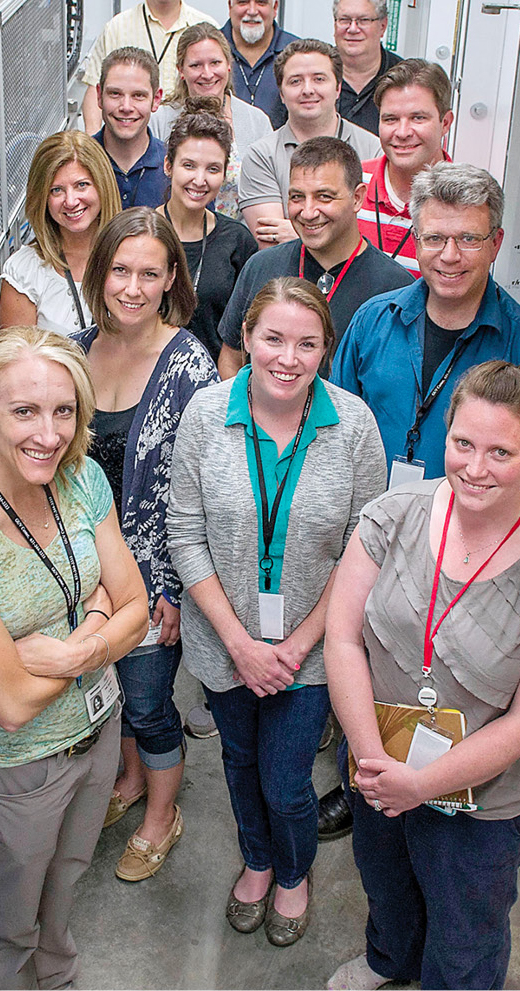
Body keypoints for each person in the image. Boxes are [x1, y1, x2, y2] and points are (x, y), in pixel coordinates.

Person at [325, 361, 520, 991]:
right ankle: (390, 959)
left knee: (467, 931)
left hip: (490, 799)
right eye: (463, 443)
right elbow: (343, 638)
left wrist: (422, 783)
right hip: (382, 760)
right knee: (387, 884)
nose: (475, 468)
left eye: (501, 452)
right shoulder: (392, 514)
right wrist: (375, 761)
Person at [167, 278, 386, 947]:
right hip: (222, 641)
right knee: (237, 760)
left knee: (287, 779)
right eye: (273, 340)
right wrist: (239, 642)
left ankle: (293, 871)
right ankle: (256, 860)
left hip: (315, 652)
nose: (288, 359)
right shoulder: (207, 414)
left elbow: (363, 546)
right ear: (247, 341)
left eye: (306, 344)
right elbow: (184, 528)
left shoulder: (352, 425)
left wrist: (296, 647)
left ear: (326, 349)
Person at [0, 326, 149, 989]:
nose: (48, 434)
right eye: (24, 411)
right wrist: (99, 620)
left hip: (96, 731)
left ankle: (56, 977)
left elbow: (137, 606)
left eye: (63, 411)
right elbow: (7, 702)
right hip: (17, 768)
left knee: (66, 883)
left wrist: (67, 652)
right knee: (8, 918)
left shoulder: (80, 478)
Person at [72, 207, 218, 882]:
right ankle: (128, 782)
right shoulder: (73, 351)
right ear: (100, 273)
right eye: (121, 270)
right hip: (81, 575)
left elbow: (201, 493)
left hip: (152, 580)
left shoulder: (189, 366)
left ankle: (162, 815)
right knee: (110, 693)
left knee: (150, 701)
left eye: (149, 274)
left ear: (170, 282)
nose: (132, 287)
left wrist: (173, 588)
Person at [333, 161, 520, 516]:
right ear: (416, 240)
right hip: (366, 539)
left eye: (468, 239)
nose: (449, 256)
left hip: (476, 557)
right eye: (435, 238)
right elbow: (333, 442)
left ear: (496, 244)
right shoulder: (371, 323)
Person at [217, 137, 413, 379]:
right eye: (297, 197)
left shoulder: (395, 288)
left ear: (357, 198)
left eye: (324, 197)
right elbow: (231, 358)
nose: (308, 212)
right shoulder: (261, 266)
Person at [239, 39, 380, 250]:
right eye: (295, 81)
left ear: (338, 88)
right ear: (282, 94)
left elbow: (375, 235)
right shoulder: (261, 156)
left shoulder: (373, 149)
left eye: (319, 79)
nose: (307, 90)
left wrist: (295, 232)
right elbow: (271, 244)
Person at [80, 0, 217, 135]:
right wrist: (92, 142)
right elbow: (94, 89)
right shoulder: (117, 27)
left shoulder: (206, 27)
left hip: (191, 138)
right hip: (129, 137)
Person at [154, 106, 258, 361]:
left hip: (215, 383)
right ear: (168, 165)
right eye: (189, 165)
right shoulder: (137, 233)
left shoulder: (237, 241)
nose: (200, 180)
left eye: (212, 169)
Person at [0, 130, 119, 335]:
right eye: (56, 190)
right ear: (42, 197)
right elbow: (16, 362)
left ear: (103, 186)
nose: (70, 201)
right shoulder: (25, 272)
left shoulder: (133, 253)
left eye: (82, 185)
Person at [149, 22, 272, 221]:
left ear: (229, 65)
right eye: (196, 65)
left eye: (215, 63)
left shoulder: (257, 121)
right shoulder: (159, 120)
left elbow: (266, 195)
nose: (207, 74)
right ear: (181, 70)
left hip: (238, 241)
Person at [357, 59, 453, 273]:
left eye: (417, 118)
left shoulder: (465, 201)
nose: (402, 132)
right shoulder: (351, 182)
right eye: (390, 119)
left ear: (445, 123)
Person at [92, 46, 167, 210]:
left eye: (138, 95)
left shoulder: (174, 168)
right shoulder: (79, 162)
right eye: (115, 94)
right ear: (99, 95)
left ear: (156, 99)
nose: (126, 107)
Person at [221, 0, 299, 130]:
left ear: (275, 7)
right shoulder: (210, 51)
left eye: (261, 2)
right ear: (230, 6)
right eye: (243, 2)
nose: (252, 11)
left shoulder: (296, 54)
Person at [332, 0, 404, 136]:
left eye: (363, 20)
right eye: (344, 19)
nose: (352, 29)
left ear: (383, 26)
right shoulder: (314, 74)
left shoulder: (405, 78)